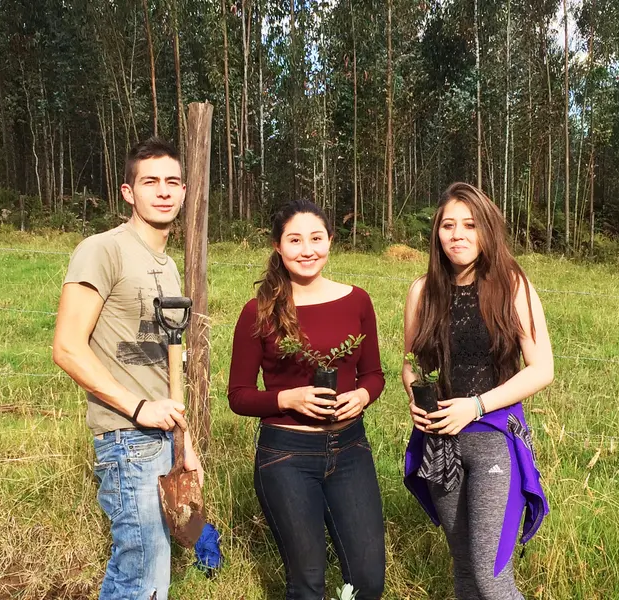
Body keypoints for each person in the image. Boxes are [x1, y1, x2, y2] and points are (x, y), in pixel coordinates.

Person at [52, 137, 203, 600]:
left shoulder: (167, 266)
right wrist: (138, 408)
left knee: (149, 572)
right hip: (126, 437)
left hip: (161, 434)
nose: (163, 191)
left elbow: (166, 367)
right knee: (142, 575)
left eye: (172, 182)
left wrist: (186, 441)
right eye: (150, 181)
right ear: (127, 191)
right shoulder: (103, 250)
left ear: (184, 190)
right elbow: (67, 348)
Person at [228, 199, 386, 600]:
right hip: (287, 457)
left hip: (351, 450)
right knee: (308, 582)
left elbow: (373, 374)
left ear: (330, 240)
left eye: (316, 238)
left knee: (367, 580)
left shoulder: (357, 301)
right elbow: (239, 395)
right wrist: (288, 398)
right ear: (278, 247)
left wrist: (363, 396)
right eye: (294, 240)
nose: (307, 249)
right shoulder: (258, 312)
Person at [402, 182, 553, 599]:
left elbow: (541, 369)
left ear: (487, 230)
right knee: (465, 568)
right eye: (448, 225)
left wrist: (476, 405)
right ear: (437, 233)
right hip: (439, 443)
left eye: (469, 225)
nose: (458, 234)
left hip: (494, 441)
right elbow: (411, 364)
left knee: (491, 574)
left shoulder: (512, 286)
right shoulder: (422, 291)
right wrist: (416, 398)